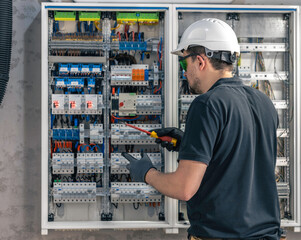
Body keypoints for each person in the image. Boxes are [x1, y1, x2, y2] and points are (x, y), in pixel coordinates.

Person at [122, 18, 282, 240]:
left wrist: (146, 173)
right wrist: (189, 142)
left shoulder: (207, 104)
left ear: (200, 61)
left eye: (184, 64)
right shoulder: (263, 102)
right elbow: (237, 159)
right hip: (268, 235)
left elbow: (184, 188)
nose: (184, 73)